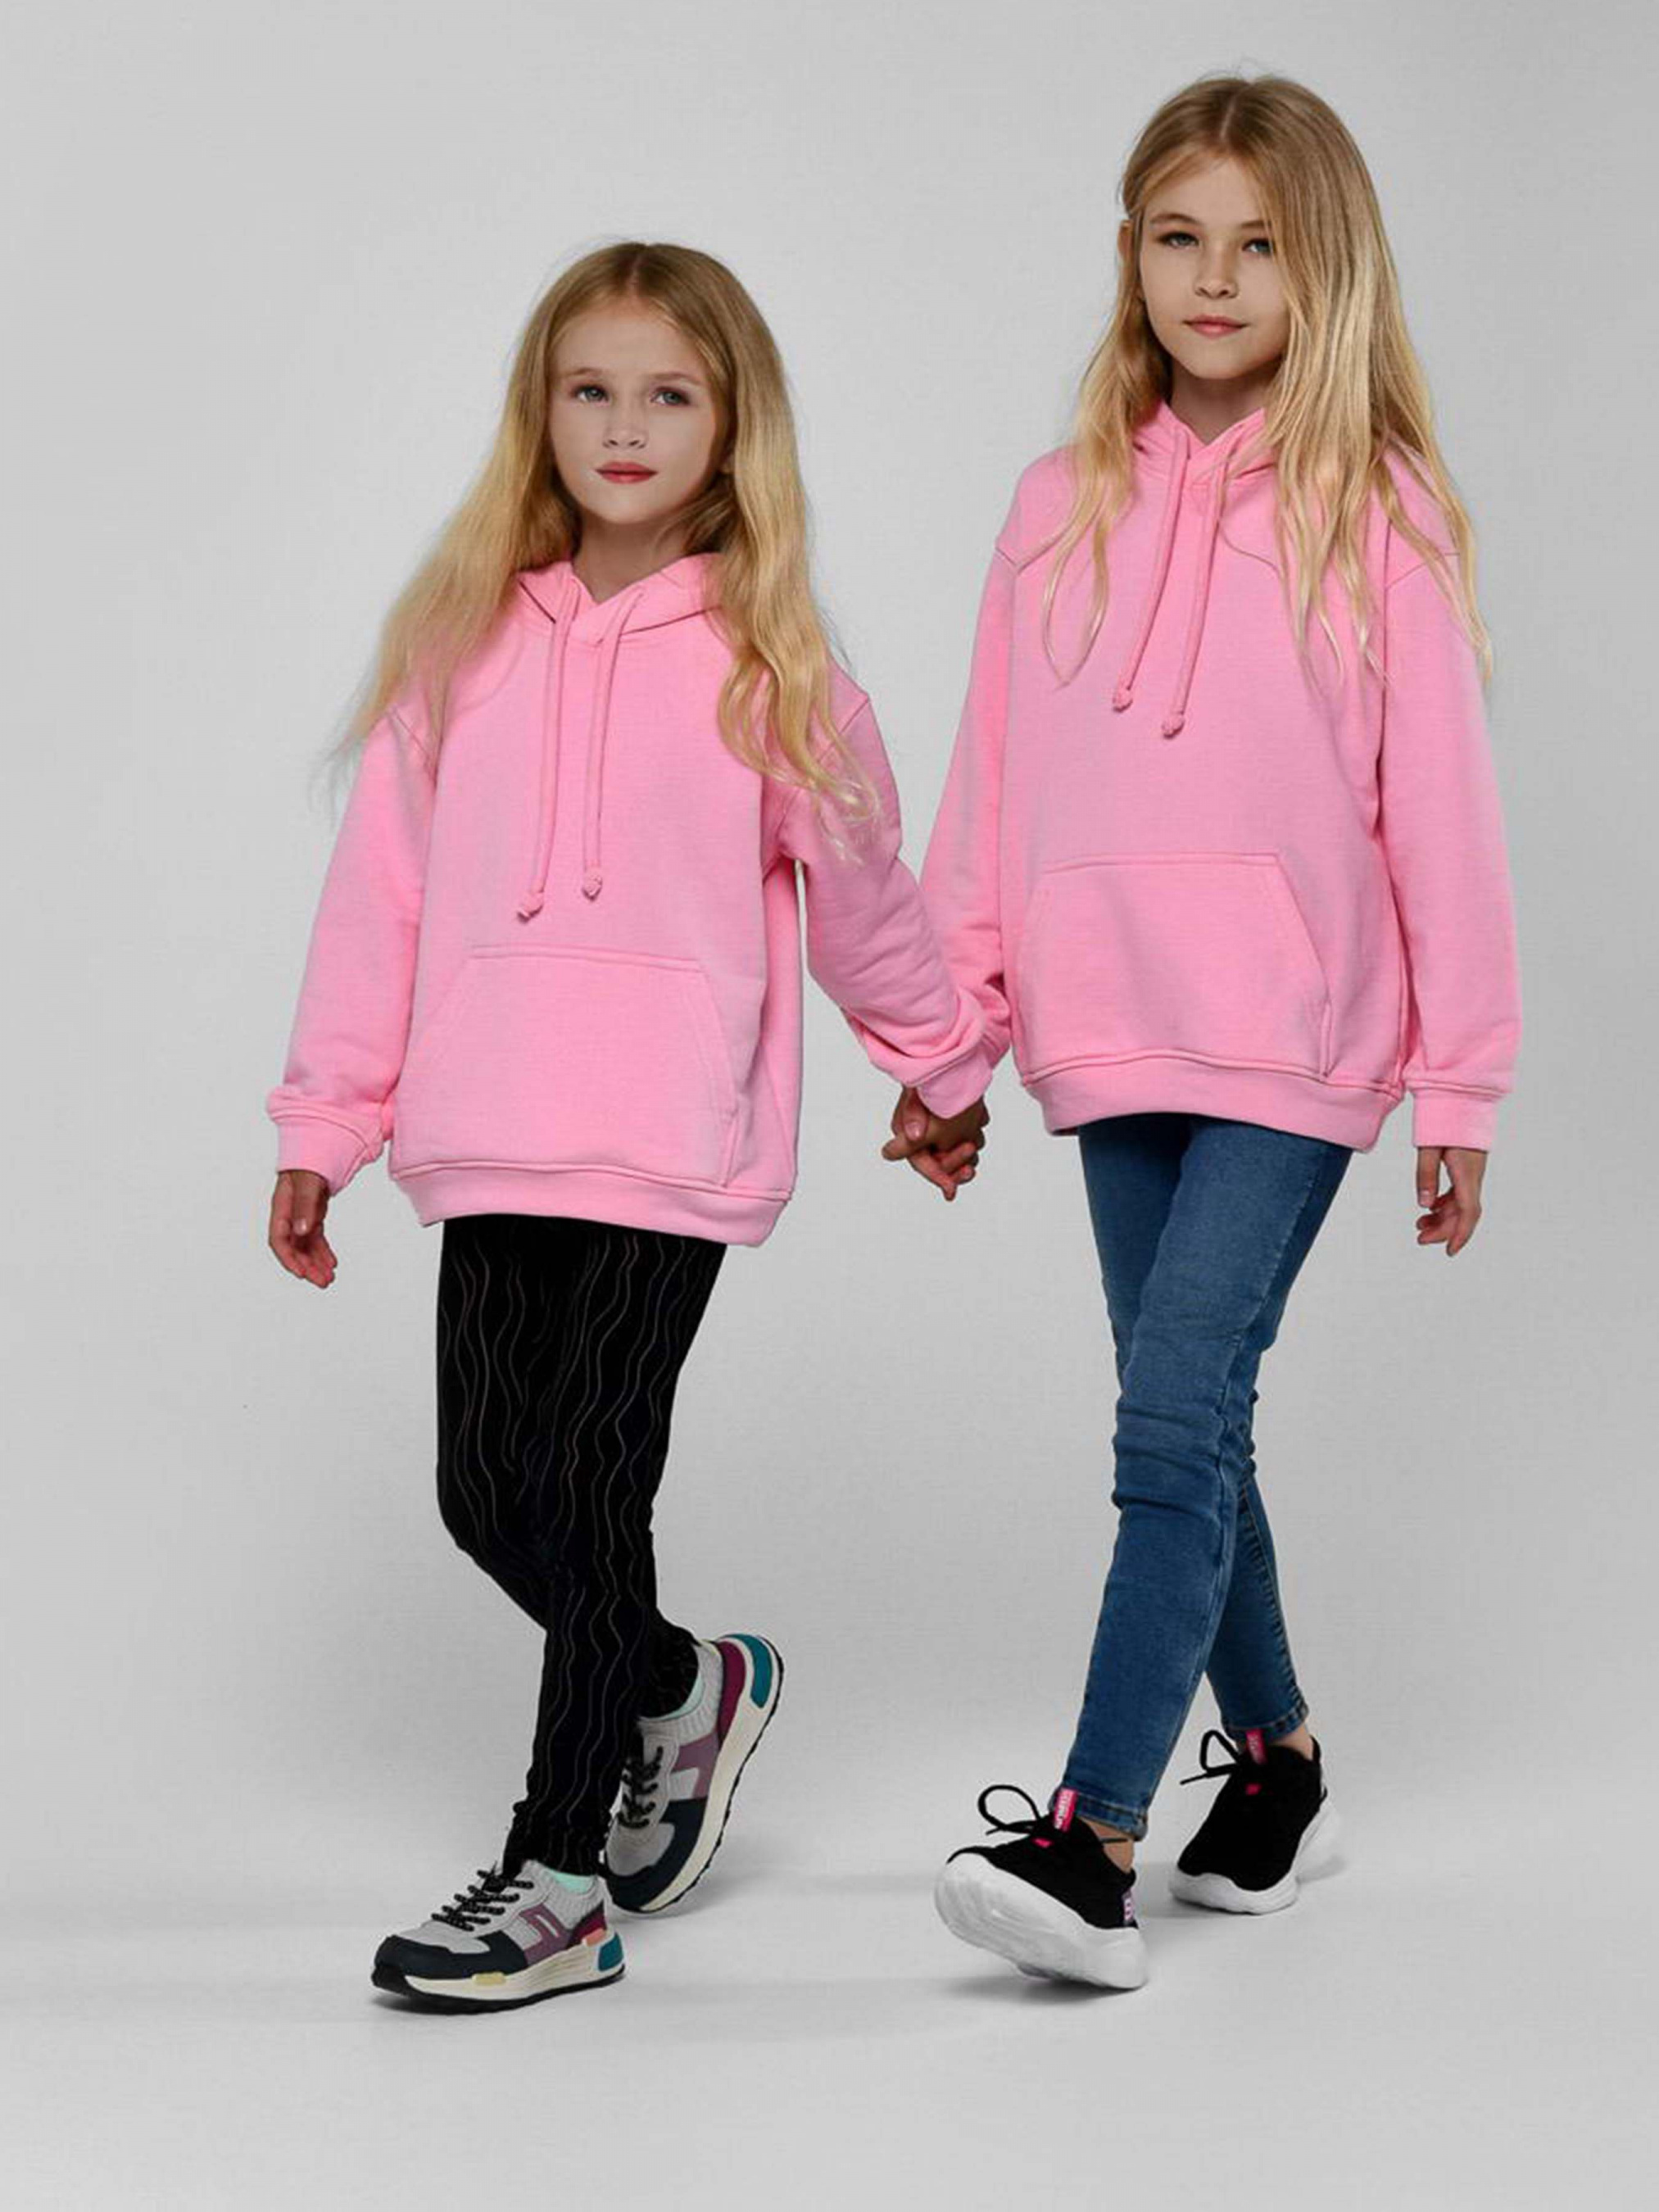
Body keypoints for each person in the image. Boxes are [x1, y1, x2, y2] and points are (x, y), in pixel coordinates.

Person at [264, 241, 992, 2012]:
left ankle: (557, 1878)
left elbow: (865, 898)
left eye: (668, 394)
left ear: (732, 428)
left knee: (589, 1488)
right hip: (488, 1114)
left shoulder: (775, 666)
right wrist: (326, 1121)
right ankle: (680, 1686)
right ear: (540, 410)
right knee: (482, 1494)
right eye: (588, 388)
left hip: (672, 1133)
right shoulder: (457, 645)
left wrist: (942, 1062)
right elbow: (376, 908)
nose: (623, 424)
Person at [885, 73, 1522, 1991]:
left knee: (1166, 1416)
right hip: (1107, 1027)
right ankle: (1279, 1759)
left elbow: (1441, 809)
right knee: (1194, 1422)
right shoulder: (1049, 505)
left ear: (1322, 271)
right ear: (1129, 256)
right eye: (1179, 237)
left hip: (1295, 1039)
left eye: (1258, 244)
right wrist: (946, 1044)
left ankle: (1089, 1839)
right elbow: (990, 789)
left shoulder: (1376, 509)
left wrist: (1459, 1077)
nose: (1215, 278)